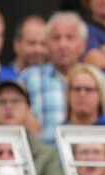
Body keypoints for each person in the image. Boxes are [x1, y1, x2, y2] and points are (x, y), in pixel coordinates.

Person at [22, 12, 88, 141]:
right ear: (47, 44)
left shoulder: (97, 79)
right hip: (42, 156)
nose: (62, 45)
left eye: (69, 38)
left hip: (86, 156)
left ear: (83, 45)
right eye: (56, 38)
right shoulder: (28, 78)